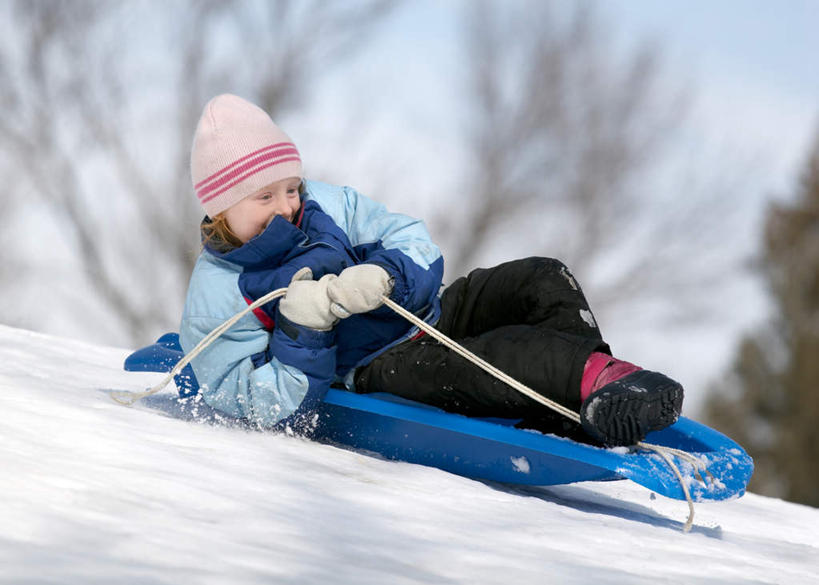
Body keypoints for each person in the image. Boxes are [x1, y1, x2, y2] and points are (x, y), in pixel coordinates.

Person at [179, 94, 683, 447]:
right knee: (500, 355)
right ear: (222, 207)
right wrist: (303, 330)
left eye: (290, 187)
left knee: (540, 278)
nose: (287, 206)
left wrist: (387, 275)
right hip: (376, 367)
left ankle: (578, 405)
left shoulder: (326, 205)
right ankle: (602, 383)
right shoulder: (218, 296)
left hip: (428, 312)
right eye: (265, 196)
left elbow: (412, 238)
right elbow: (253, 405)